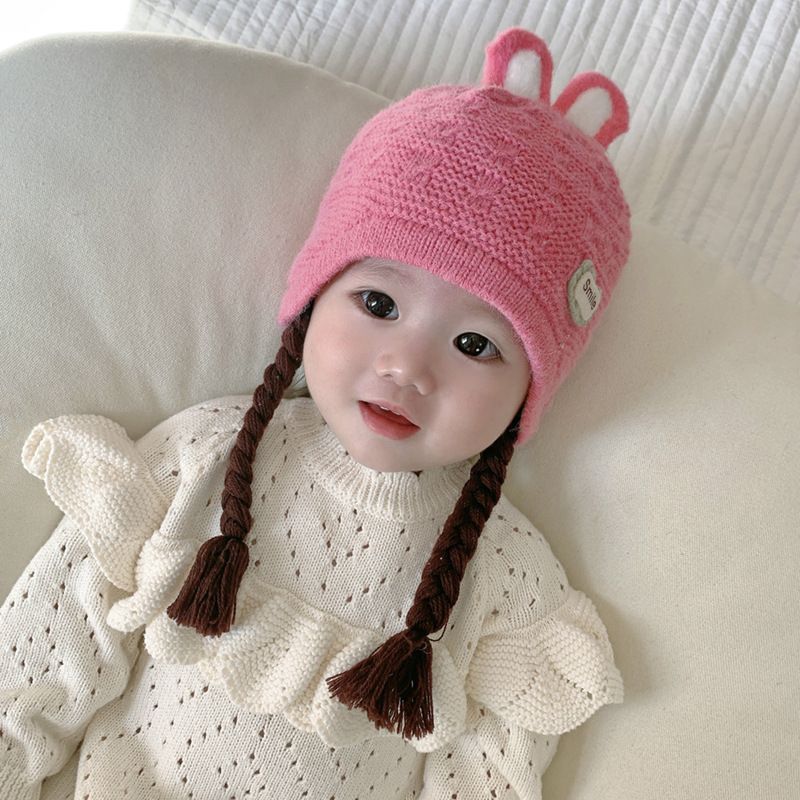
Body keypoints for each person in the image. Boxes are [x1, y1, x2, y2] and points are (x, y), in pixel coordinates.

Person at [0, 28, 630, 800]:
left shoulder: (500, 574)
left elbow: (490, 765)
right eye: (378, 303)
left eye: (475, 344)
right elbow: (68, 618)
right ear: (313, 300)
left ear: (529, 393)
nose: (407, 367)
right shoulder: (212, 452)